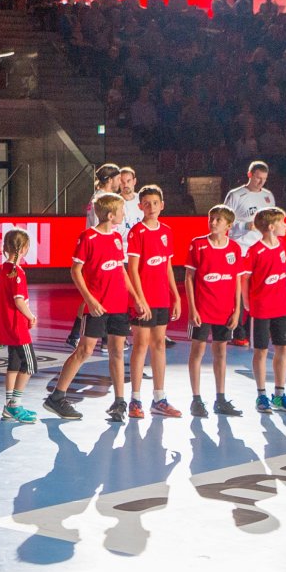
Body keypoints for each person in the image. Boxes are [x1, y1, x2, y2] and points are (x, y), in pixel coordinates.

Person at [44, 193, 132, 423]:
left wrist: (136, 298)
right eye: (121, 211)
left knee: (117, 352)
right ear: (111, 215)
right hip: (97, 306)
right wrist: (90, 301)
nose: (124, 214)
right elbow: (75, 271)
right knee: (85, 350)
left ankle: (119, 402)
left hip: (119, 305)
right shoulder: (88, 237)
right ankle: (57, 397)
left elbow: (121, 270)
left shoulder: (117, 237)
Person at [125, 184, 182, 418]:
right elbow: (133, 270)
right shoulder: (136, 232)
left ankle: (159, 399)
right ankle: (135, 400)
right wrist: (139, 299)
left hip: (161, 298)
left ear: (162, 205)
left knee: (159, 344)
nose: (151, 207)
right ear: (140, 206)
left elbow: (167, 266)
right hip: (143, 300)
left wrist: (175, 296)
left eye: (155, 203)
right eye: (147, 203)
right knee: (141, 345)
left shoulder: (167, 231)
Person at [184, 204, 245, 418]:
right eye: (211, 218)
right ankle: (196, 400)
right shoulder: (198, 244)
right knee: (197, 352)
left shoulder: (234, 248)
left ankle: (220, 399)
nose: (213, 222)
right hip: (202, 309)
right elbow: (189, 278)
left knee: (221, 352)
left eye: (219, 219)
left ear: (229, 225)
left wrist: (237, 311)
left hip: (224, 310)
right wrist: (192, 308)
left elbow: (237, 280)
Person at [242, 206, 286, 414]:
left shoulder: (282, 245)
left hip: (281, 306)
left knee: (283, 348)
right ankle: (261, 395)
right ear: (272, 227)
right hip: (261, 308)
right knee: (261, 351)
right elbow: (244, 278)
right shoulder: (254, 251)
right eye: (282, 222)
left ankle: (279, 395)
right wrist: (247, 303)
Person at [68, 162, 123, 348]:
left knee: (96, 295)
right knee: (96, 295)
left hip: (101, 250)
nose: (120, 181)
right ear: (110, 179)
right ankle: (104, 338)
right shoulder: (102, 200)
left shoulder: (97, 196)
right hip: (98, 251)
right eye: (118, 178)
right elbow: (97, 228)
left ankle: (76, 334)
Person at [221, 159, 275, 347]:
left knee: (259, 290)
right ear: (250, 175)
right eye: (258, 178)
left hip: (260, 250)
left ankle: (252, 328)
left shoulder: (268, 196)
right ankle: (237, 331)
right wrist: (245, 225)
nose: (261, 182)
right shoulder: (236, 195)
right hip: (241, 248)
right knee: (238, 291)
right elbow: (224, 221)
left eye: (264, 179)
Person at [0, 229, 39, 423]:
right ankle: (15, 405)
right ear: (25, 248)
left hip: (7, 325)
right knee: (30, 365)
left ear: (6, 247)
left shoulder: (4, 269)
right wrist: (31, 316)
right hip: (18, 326)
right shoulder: (17, 273)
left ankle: (8, 406)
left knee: (14, 363)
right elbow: (19, 301)